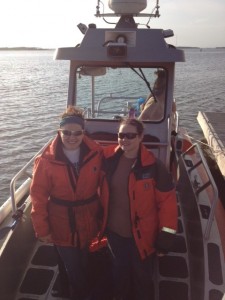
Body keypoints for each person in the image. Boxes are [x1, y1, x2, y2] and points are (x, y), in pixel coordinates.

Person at [99, 118, 178, 300]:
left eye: (130, 135)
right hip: (114, 234)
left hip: (142, 237)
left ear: (141, 137)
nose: (124, 139)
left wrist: (165, 239)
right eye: (121, 135)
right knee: (119, 274)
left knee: (142, 277)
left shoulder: (155, 167)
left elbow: (167, 204)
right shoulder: (108, 159)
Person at [30, 106, 103, 300]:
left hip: (89, 219)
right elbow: (38, 196)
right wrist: (43, 229)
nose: (72, 136)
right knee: (73, 268)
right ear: (59, 132)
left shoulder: (96, 153)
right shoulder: (45, 161)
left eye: (77, 132)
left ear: (83, 132)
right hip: (62, 222)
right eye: (67, 132)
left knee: (87, 260)